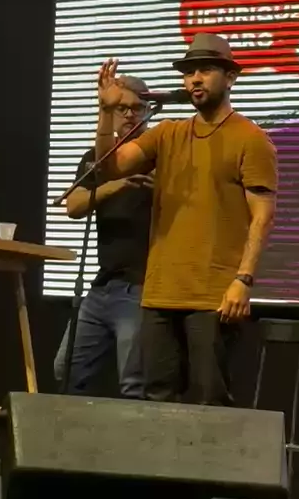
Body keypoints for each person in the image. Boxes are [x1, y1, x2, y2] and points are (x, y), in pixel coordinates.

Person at [95, 33, 278, 406]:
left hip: (213, 295)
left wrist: (243, 279)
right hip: (160, 291)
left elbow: (262, 216)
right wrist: (105, 113)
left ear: (230, 77)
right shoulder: (168, 132)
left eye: (205, 70)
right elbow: (111, 168)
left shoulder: (251, 139)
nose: (194, 79)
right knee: (157, 400)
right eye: (189, 72)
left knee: (211, 400)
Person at [54, 75, 153, 398]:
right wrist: (116, 184)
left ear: (149, 111)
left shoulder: (159, 155)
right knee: (66, 370)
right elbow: (74, 206)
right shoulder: (95, 159)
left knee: (134, 382)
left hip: (140, 287)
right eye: (121, 108)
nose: (129, 114)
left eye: (137, 107)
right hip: (102, 287)